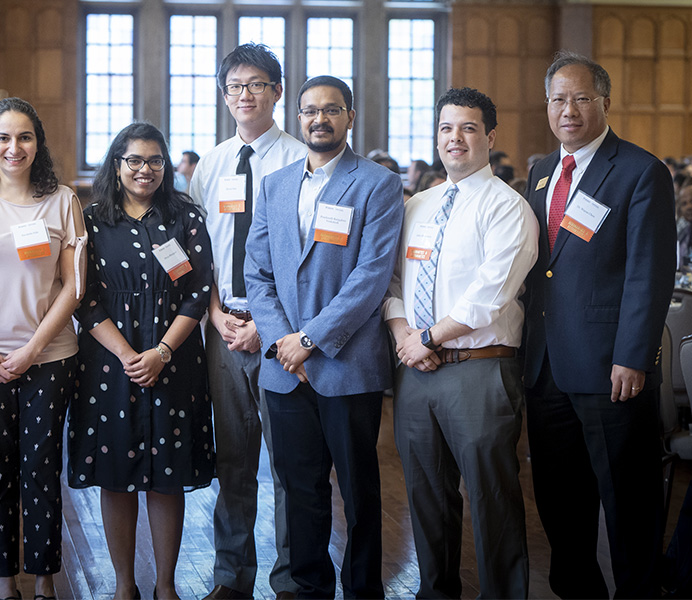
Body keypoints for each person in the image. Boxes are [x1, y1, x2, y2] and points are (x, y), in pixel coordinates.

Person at [522, 50, 676, 598]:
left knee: (628, 500)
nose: (568, 110)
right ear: (547, 105)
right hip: (545, 367)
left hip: (612, 367)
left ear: (605, 102)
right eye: (558, 99)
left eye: (581, 98)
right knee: (560, 498)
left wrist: (634, 356)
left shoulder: (640, 170)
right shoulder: (541, 171)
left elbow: (650, 274)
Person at [245, 75, 402, 599]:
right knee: (300, 491)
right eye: (310, 110)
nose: (320, 119)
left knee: (359, 493)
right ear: (298, 118)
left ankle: (363, 590)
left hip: (347, 365)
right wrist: (281, 342)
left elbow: (371, 276)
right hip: (284, 371)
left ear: (350, 117)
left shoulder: (377, 183)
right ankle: (309, 588)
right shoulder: (275, 185)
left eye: (332, 109)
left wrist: (308, 340)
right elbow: (257, 274)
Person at [384, 87, 538, 599]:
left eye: (469, 128)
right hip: (416, 370)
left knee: (492, 500)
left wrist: (427, 338)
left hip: (480, 369)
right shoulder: (418, 205)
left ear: (489, 137)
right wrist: (405, 336)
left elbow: (490, 296)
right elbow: (393, 283)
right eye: (446, 128)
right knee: (426, 497)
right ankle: (436, 592)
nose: (456, 138)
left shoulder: (508, 207)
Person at [0, 97, 85, 600]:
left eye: (25, 137)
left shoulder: (63, 200)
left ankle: (44, 580)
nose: (14, 147)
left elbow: (74, 287)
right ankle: (6, 583)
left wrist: (32, 349)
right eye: (3, 137)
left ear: (38, 144)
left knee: (42, 466)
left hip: (51, 357)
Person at [67, 122, 215, 600]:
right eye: (134, 160)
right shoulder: (92, 220)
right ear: (117, 165)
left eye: (155, 161)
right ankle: (124, 585)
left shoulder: (185, 217)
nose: (144, 169)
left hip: (174, 357)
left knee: (168, 476)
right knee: (116, 475)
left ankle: (166, 585)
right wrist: (130, 355)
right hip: (110, 361)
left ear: (165, 166)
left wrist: (162, 352)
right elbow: (83, 297)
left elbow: (198, 291)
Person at [187, 42, 306, 600]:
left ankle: (291, 580)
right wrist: (215, 313)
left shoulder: (300, 160)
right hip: (222, 330)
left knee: (288, 461)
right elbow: (199, 250)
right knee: (233, 460)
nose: (245, 95)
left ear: (277, 92)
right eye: (235, 86)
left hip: (281, 333)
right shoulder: (211, 165)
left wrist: (266, 323)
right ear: (224, 94)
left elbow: (305, 258)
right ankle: (231, 578)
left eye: (257, 84)